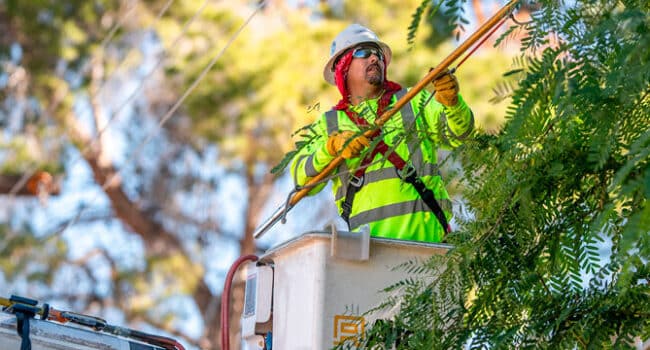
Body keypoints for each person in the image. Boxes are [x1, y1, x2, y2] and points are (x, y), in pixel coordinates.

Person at [291, 24, 474, 242]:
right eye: (363, 52)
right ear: (343, 67)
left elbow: (458, 134)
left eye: (377, 53)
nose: (374, 58)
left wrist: (453, 104)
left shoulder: (411, 102)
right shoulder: (329, 124)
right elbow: (302, 181)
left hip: (430, 249)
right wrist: (331, 148)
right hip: (369, 255)